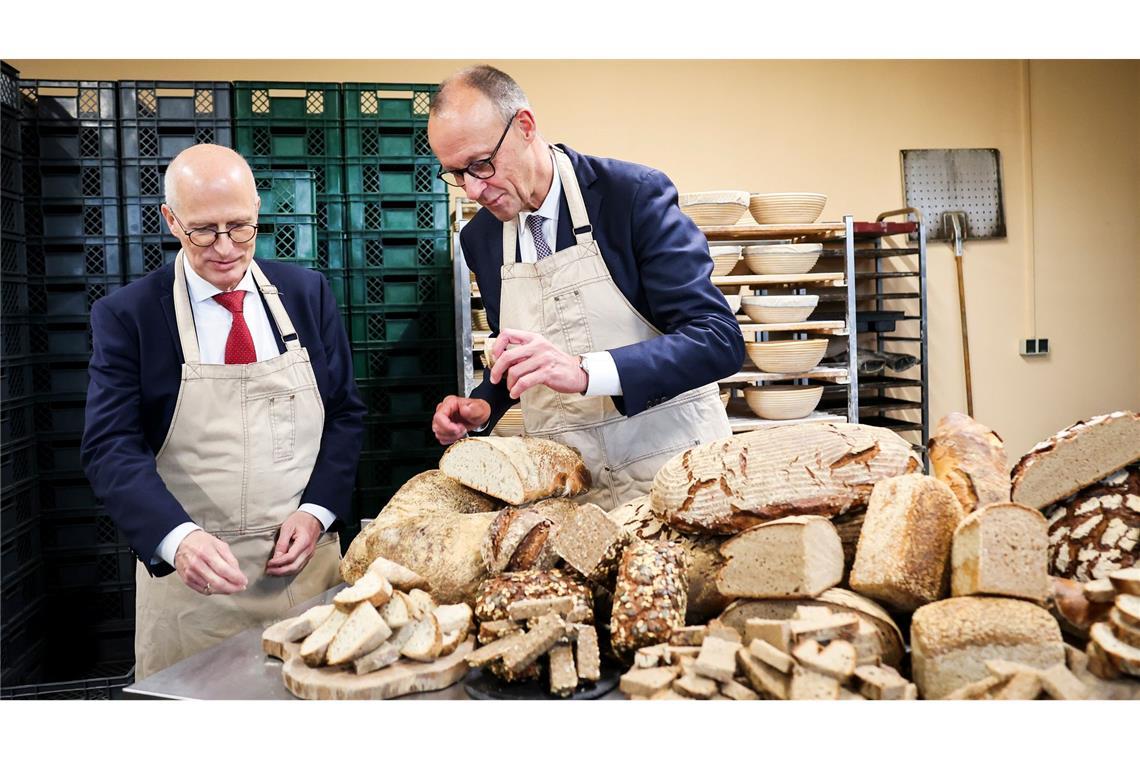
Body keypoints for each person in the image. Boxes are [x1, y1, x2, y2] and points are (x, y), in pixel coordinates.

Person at [81, 145, 365, 678]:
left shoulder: (307, 294)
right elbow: (110, 447)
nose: (226, 247)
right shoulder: (130, 317)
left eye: (241, 226)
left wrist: (318, 511)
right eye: (203, 231)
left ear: (257, 208)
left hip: (307, 576)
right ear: (171, 220)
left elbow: (345, 414)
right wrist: (177, 539)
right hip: (194, 593)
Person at [428, 65, 743, 510]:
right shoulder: (480, 238)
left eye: (481, 165)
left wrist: (585, 372)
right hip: (571, 493)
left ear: (524, 126)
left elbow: (718, 340)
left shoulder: (631, 197)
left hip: (677, 475)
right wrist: (484, 406)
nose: (474, 190)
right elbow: (516, 353)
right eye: (457, 174)